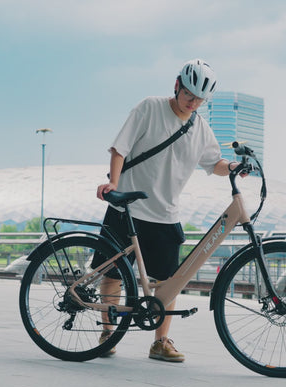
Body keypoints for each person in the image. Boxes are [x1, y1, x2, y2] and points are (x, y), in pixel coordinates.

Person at [94, 59, 242, 362]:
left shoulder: (200, 129)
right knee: (112, 273)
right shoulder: (149, 108)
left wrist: (233, 167)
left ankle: (161, 342)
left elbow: (213, 163)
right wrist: (114, 183)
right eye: (189, 95)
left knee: (167, 285)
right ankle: (107, 331)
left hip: (165, 214)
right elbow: (119, 148)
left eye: (200, 99)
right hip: (128, 208)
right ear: (177, 86)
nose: (194, 102)